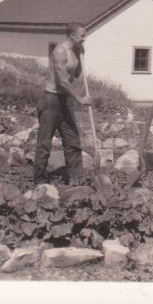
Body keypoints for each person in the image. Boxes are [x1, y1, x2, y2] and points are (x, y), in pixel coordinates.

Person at [33, 22, 92, 185]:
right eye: (82, 36)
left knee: (72, 140)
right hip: (51, 100)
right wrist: (80, 99)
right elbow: (63, 82)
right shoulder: (59, 51)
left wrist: (81, 55)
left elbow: (77, 74)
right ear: (72, 35)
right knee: (45, 142)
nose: (84, 39)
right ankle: (38, 181)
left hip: (65, 101)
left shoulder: (75, 51)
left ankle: (76, 179)